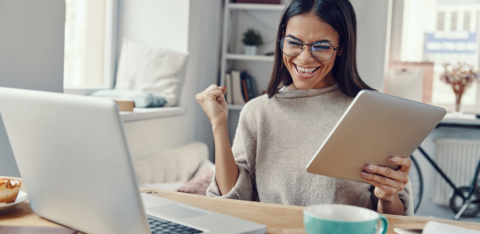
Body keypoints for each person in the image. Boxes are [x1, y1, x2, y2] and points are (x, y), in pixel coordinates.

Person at [196, 0, 412, 216]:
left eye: (321, 46)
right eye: (294, 43)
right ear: (281, 39)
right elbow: (232, 200)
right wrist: (218, 125)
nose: (305, 58)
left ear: (341, 47)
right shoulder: (257, 112)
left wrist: (388, 195)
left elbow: (394, 218)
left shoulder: (370, 112)